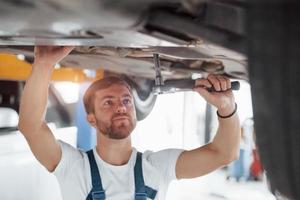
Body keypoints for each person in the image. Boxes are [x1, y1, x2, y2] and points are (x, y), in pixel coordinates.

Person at [18, 46, 241, 200]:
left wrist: (226, 108)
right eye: (108, 102)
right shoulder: (73, 167)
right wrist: (44, 63)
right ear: (91, 119)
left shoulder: (157, 166)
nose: (121, 107)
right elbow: (31, 126)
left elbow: (223, 153)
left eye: (126, 100)